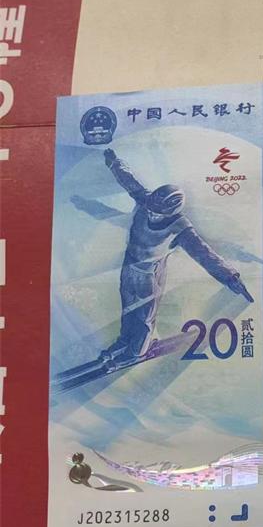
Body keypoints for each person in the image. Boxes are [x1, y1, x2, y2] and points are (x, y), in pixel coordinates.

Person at [92, 148, 252, 369]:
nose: (151, 213)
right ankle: (125, 340)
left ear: (171, 213)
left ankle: (137, 351)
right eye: (150, 209)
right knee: (128, 307)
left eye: (157, 213)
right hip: (129, 266)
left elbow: (204, 254)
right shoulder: (146, 200)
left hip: (150, 274)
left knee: (144, 315)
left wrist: (230, 277)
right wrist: (114, 163)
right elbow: (129, 181)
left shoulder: (181, 228)